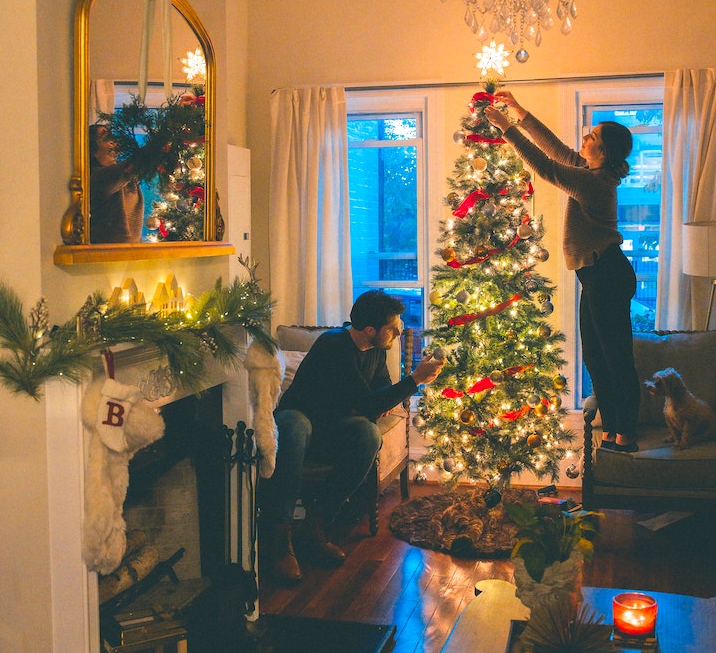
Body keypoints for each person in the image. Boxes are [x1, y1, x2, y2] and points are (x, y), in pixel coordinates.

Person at [484, 91, 640, 454]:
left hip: (607, 275)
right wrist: (521, 113)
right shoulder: (590, 170)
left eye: (593, 137)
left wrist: (507, 128)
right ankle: (613, 430)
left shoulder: (595, 182)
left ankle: (625, 435)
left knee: (616, 358)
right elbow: (554, 149)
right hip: (596, 275)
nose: (585, 138)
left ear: (604, 152)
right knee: (597, 358)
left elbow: (547, 167)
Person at [264, 290, 445, 583]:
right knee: (296, 427)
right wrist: (415, 379)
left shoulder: (376, 349)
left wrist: (379, 401)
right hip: (300, 419)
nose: (399, 332)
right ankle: (279, 539)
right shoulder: (333, 345)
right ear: (370, 330)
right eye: (393, 327)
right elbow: (372, 402)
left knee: (367, 434)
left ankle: (316, 526)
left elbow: (380, 395)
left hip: (333, 428)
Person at [89, 122, 144, 244]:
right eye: (105, 137)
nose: (113, 140)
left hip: (131, 252)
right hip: (108, 255)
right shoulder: (99, 177)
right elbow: (138, 163)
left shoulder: (127, 179)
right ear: (94, 151)